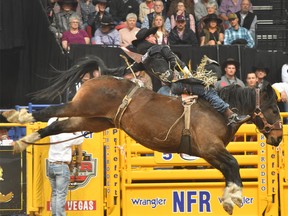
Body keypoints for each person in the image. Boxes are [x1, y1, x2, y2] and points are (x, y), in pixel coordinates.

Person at [125, 27, 250, 127]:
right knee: (207, 90)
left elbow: (128, 69)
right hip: (179, 82)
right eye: (152, 36)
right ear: (148, 38)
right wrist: (189, 75)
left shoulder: (143, 59)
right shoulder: (160, 48)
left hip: (172, 87)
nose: (155, 37)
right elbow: (175, 60)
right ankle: (231, 116)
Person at [47, 117, 84, 216]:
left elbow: (51, 120)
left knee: (55, 193)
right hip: (62, 166)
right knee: (60, 195)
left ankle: (55, 214)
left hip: (51, 165)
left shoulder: (52, 130)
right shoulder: (68, 136)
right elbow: (81, 139)